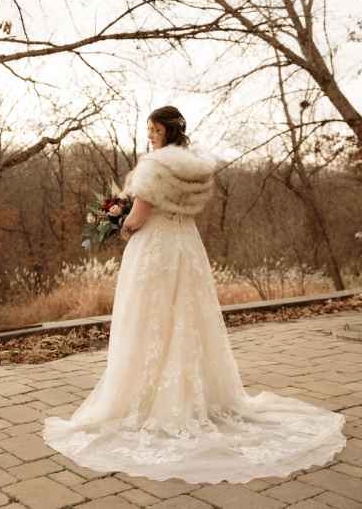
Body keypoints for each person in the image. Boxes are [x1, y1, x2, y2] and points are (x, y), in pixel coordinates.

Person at [42, 105, 346, 484]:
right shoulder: (191, 164)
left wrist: (121, 225)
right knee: (185, 317)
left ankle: (151, 399)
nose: (150, 134)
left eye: (154, 129)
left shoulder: (154, 165)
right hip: (185, 245)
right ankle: (196, 393)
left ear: (168, 130)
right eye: (148, 129)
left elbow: (139, 215)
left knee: (151, 318)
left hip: (155, 248)